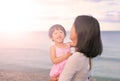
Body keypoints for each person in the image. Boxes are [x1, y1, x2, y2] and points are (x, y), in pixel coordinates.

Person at [58, 15, 103, 81]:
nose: (70, 29)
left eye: (73, 26)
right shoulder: (86, 56)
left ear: (79, 31)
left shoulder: (75, 58)